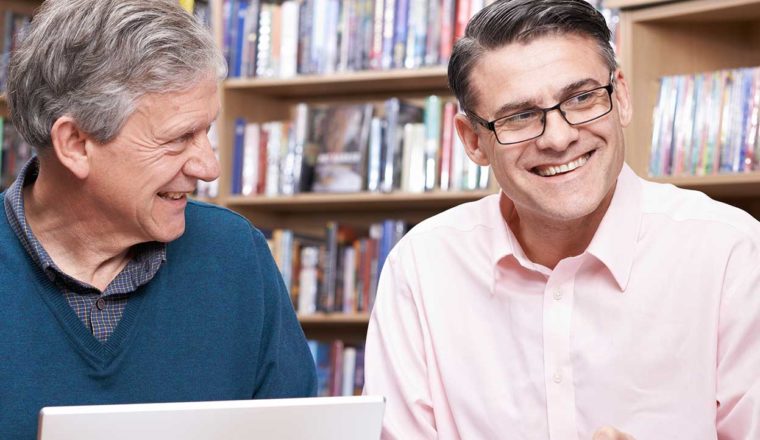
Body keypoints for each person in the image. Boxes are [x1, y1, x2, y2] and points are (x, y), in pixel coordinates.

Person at [363, 0, 760, 439]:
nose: (559, 137)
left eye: (582, 97)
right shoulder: (421, 268)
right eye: (519, 116)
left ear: (621, 98)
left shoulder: (733, 254)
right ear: (473, 140)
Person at [0, 1, 316, 438]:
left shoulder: (234, 254)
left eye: (206, 133)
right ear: (75, 143)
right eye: (179, 138)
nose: (209, 167)